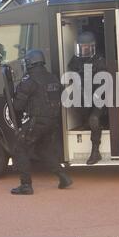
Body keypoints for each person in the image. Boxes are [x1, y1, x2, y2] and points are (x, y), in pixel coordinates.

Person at [11, 49, 73, 195]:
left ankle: (26, 185)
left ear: (29, 63)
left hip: (37, 122)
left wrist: (14, 94)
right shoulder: (52, 78)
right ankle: (63, 177)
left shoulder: (29, 81)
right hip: (52, 122)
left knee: (20, 148)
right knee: (43, 150)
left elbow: (17, 106)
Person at [68, 31, 107, 165]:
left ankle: (95, 152)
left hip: (99, 98)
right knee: (72, 100)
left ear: (92, 47)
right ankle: (86, 121)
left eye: (87, 47)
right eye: (82, 47)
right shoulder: (75, 61)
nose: (84, 50)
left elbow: (105, 85)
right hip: (84, 97)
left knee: (94, 119)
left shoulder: (100, 61)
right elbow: (71, 77)